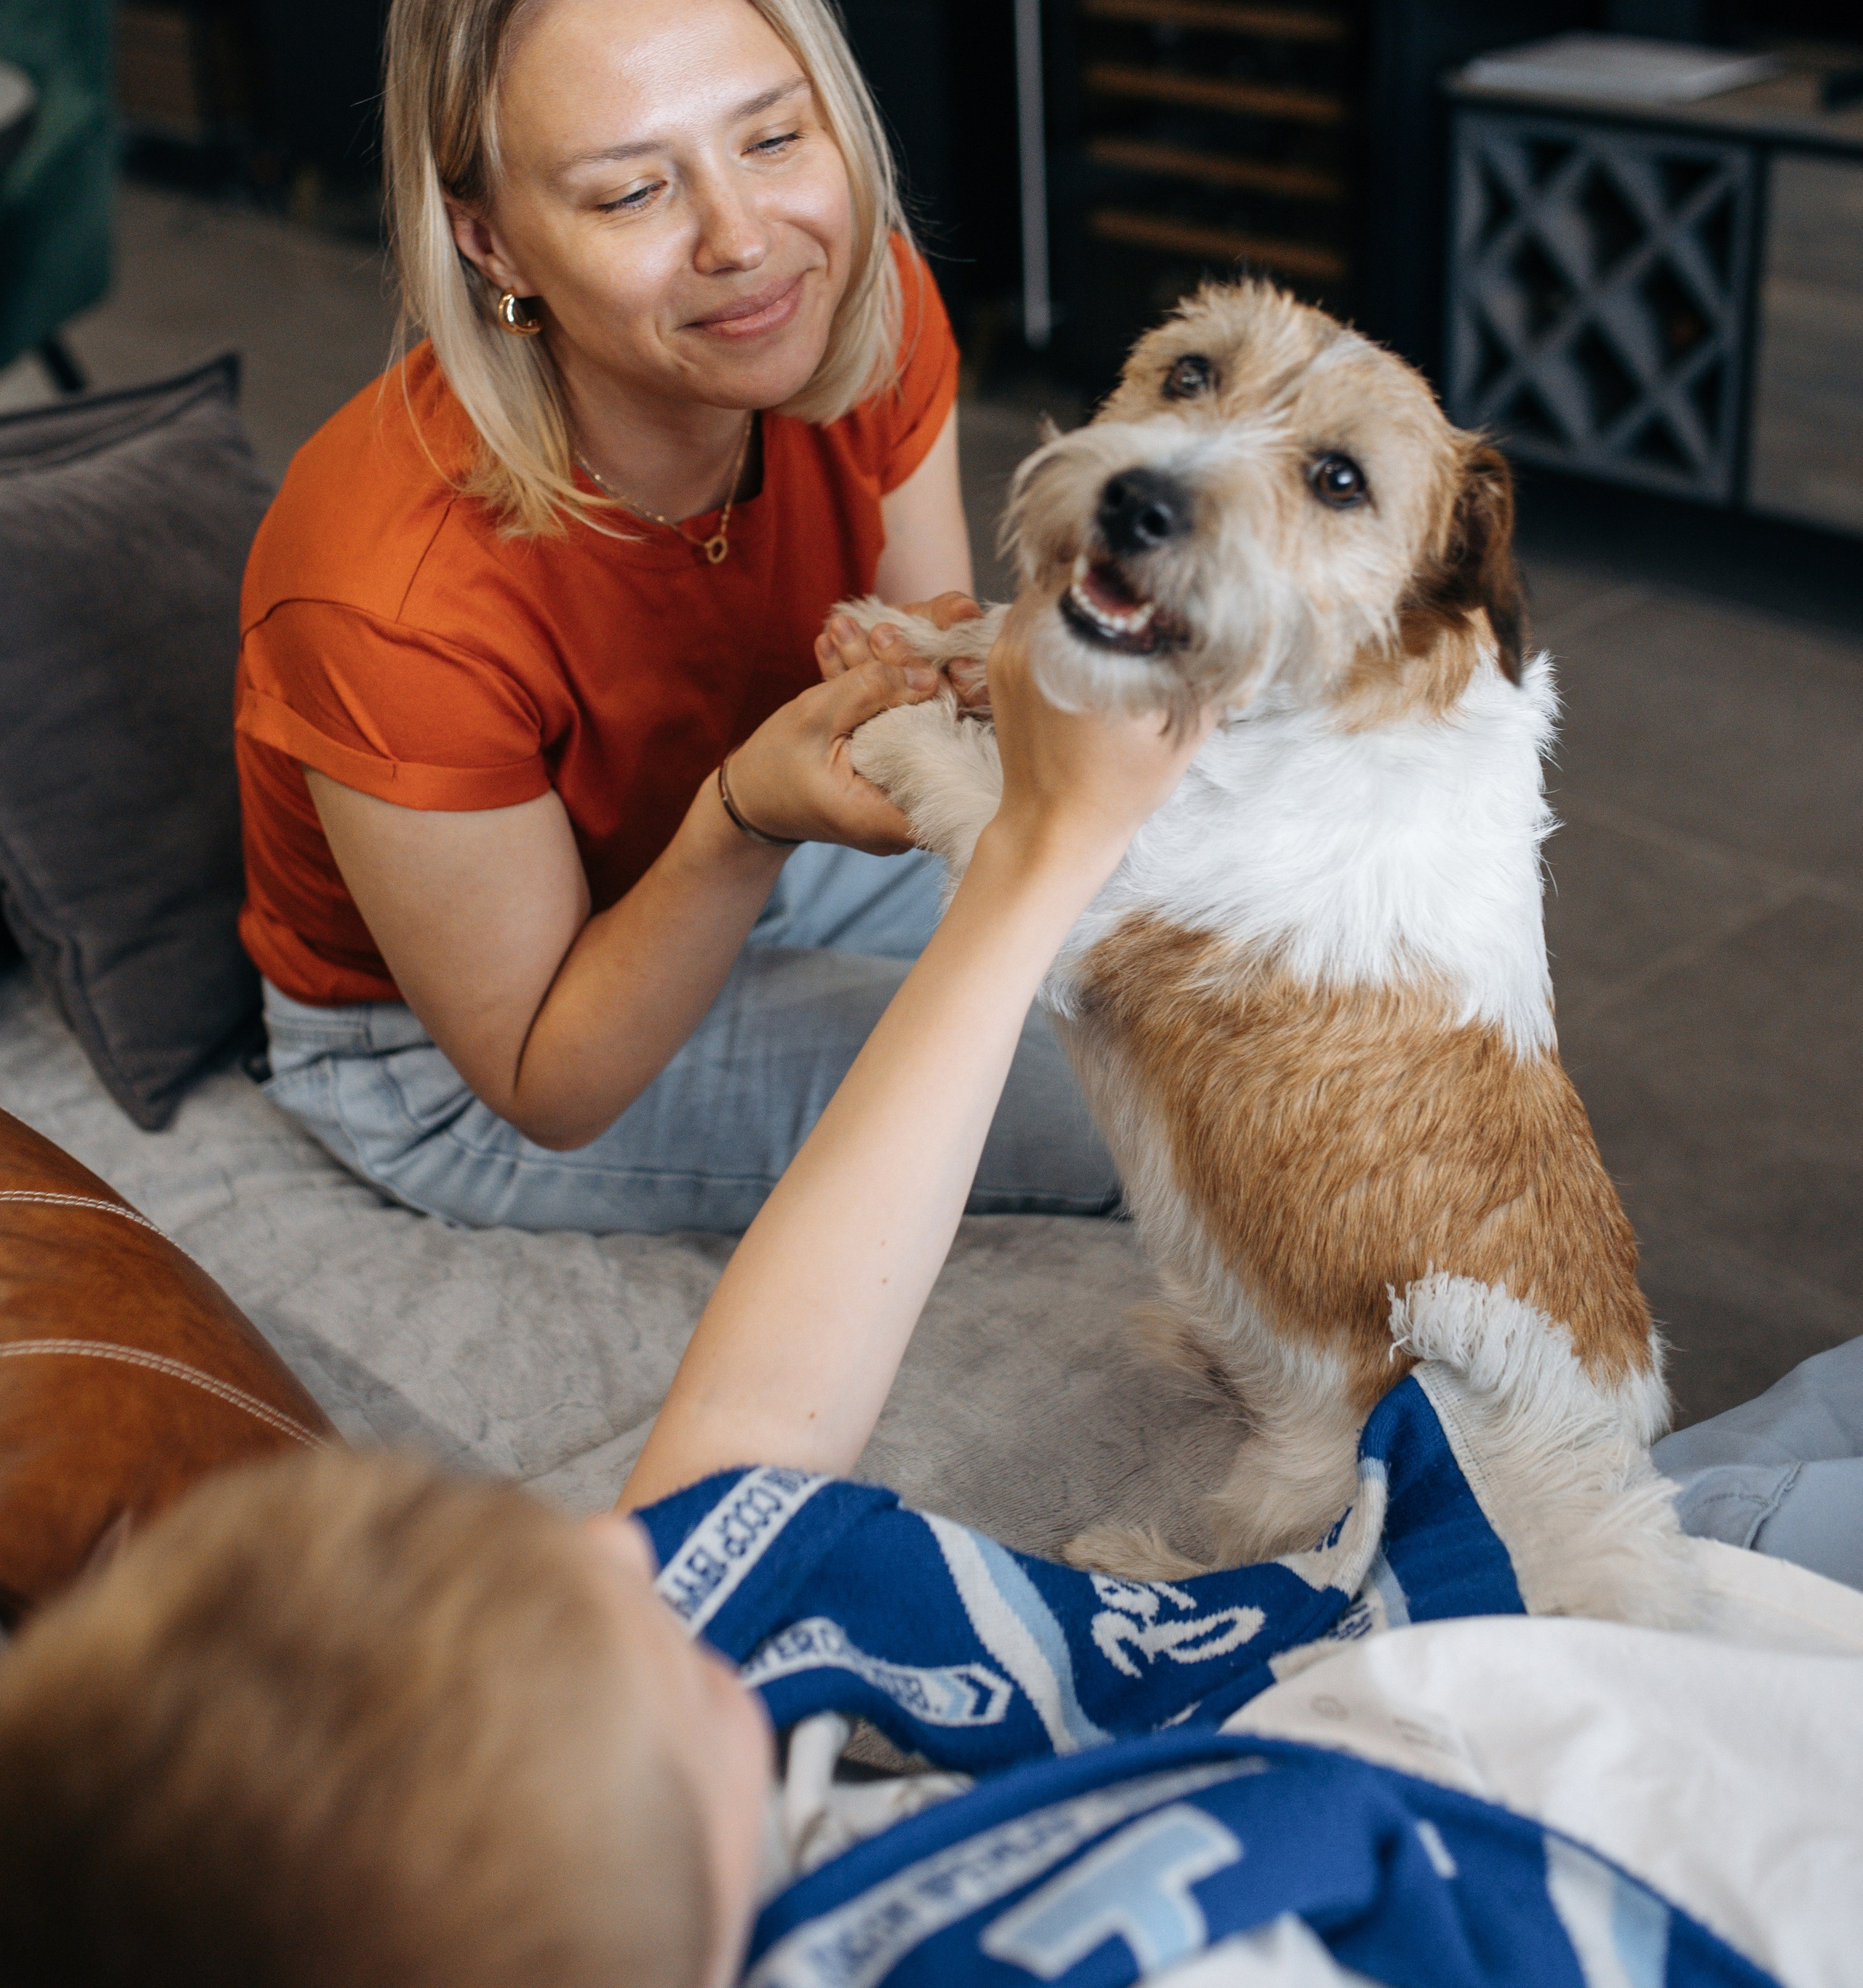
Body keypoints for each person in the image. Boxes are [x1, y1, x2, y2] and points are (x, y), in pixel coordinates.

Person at [3, 612, 1860, 1987]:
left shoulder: (588, 1824)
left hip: (1603, 1614)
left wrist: (1023, 860)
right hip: (1690, 1731)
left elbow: (733, 1457)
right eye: (610, 1625)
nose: (605, 1556)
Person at [232, 0, 1110, 1234]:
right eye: (633, 191)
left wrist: (967, 675)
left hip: (744, 860)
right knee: (1135, 1113)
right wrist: (750, 818)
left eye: (774, 136)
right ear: (491, 243)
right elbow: (545, 1076)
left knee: (1233, 981)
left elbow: (925, 653)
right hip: (459, 1055)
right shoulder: (382, 590)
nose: (746, 239)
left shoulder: (853, 289)